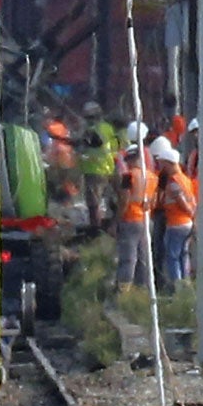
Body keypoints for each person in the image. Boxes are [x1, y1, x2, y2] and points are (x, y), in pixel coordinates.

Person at [153, 136, 197, 285]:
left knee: (172, 256)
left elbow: (182, 201)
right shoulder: (185, 179)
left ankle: (177, 286)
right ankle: (186, 284)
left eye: (163, 163)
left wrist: (190, 212)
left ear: (169, 163)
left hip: (177, 223)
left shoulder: (173, 182)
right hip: (187, 223)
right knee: (183, 254)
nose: (161, 166)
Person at [113, 145, 156, 289]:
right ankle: (142, 288)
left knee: (128, 257)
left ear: (131, 159)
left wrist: (116, 221)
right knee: (144, 257)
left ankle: (124, 290)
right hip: (146, 219)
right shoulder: (152, 176)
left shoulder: (128, 176)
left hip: (130, 219)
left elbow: (124, 200)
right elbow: (154, 201)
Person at [78, 100, 119, 228]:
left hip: (94, 171)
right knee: (111, 201)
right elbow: (114, 146)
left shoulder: (90, 130)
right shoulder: (108, 128)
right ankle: (113, 226)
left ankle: (96, 231)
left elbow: (84, 146)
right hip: (110, 169)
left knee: (93, 204)